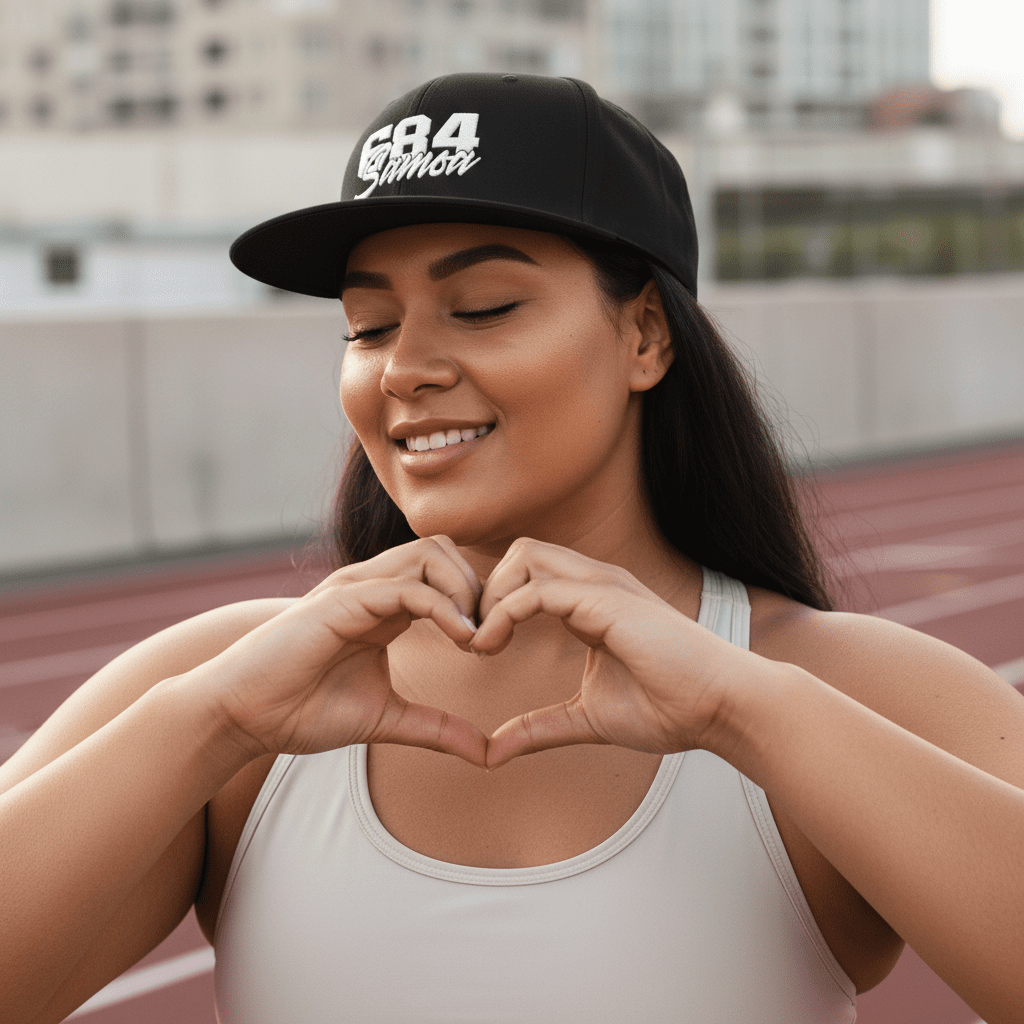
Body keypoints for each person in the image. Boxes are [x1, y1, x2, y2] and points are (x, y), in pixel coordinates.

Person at [1, 73, 1022, 1024]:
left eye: (483, 307)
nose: (403, 369)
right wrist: (212, 719)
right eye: (366, 325)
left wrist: (739, 707)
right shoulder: (227, 689)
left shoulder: (839, 687)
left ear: (646, 337)